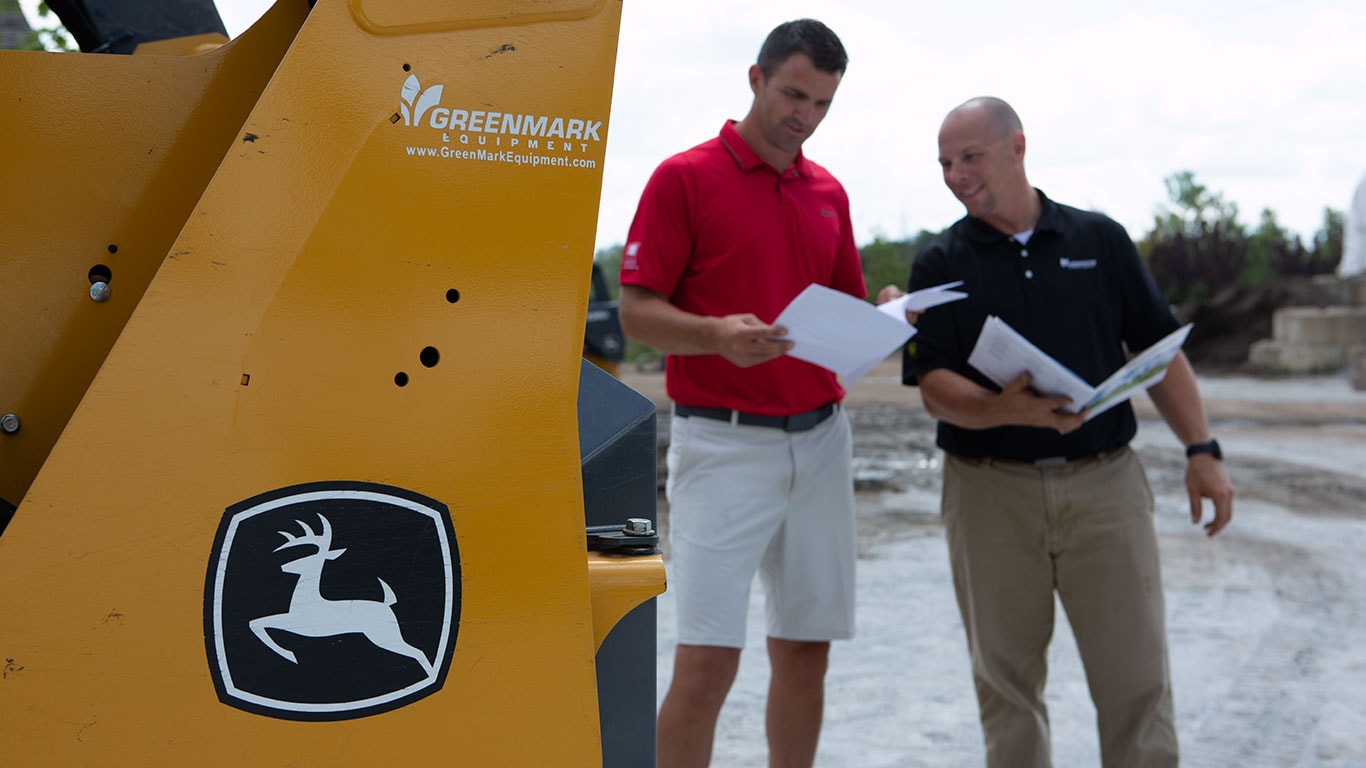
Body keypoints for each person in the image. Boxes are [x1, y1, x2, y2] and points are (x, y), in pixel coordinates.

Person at [888, 97, 1235, 767]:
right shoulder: (939, 263)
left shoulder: (1098, 241)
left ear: (1017, 147)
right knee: (1007, 689)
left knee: (1137, 683)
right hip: (989, 495)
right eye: (944, 164)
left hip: (1106, 486)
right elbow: (932, 385)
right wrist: (1003, 410)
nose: (956, 175)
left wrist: (1202, 452)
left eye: (970, 158)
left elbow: (1160, 353)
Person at [616, 19, 864, 768]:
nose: (806, 116)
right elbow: (636, 311)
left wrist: (884, 310)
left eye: (822, 103)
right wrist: (718, 334)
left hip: (822, 443)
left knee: (805, 653)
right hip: (721, 444)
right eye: (794, 94)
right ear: (754, 80)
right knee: (705, 666)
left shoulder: (829, 191)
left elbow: (846, 312)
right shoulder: (683, 177)